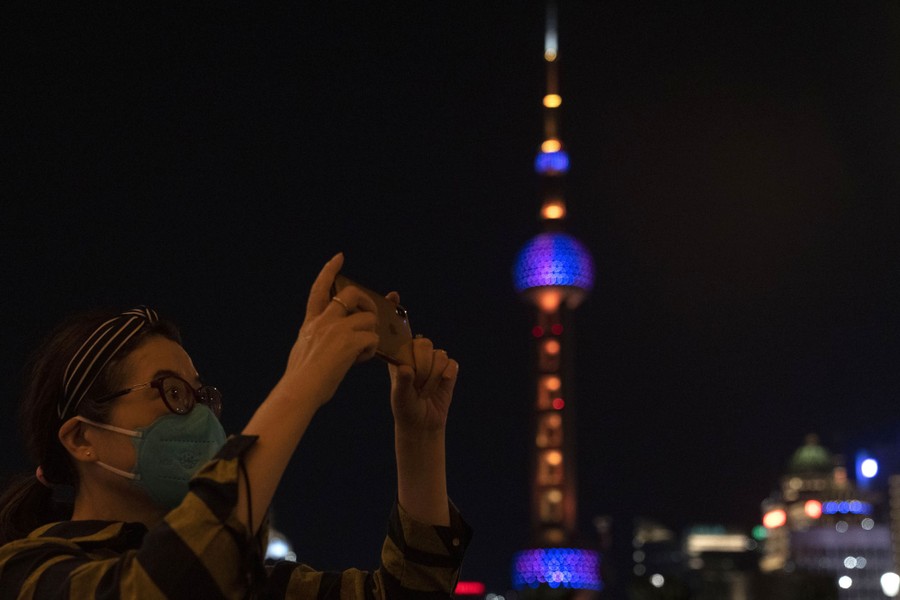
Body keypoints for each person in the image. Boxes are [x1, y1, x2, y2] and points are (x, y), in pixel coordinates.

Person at [0, 253, 471, 599]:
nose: (201, 417)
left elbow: (409, 593)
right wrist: (300, 384)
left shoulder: (252, 581)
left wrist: (420, 436)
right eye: (174, 394)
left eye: (202, 396)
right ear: (81, 439)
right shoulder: (25, 572)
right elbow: (163, 585)